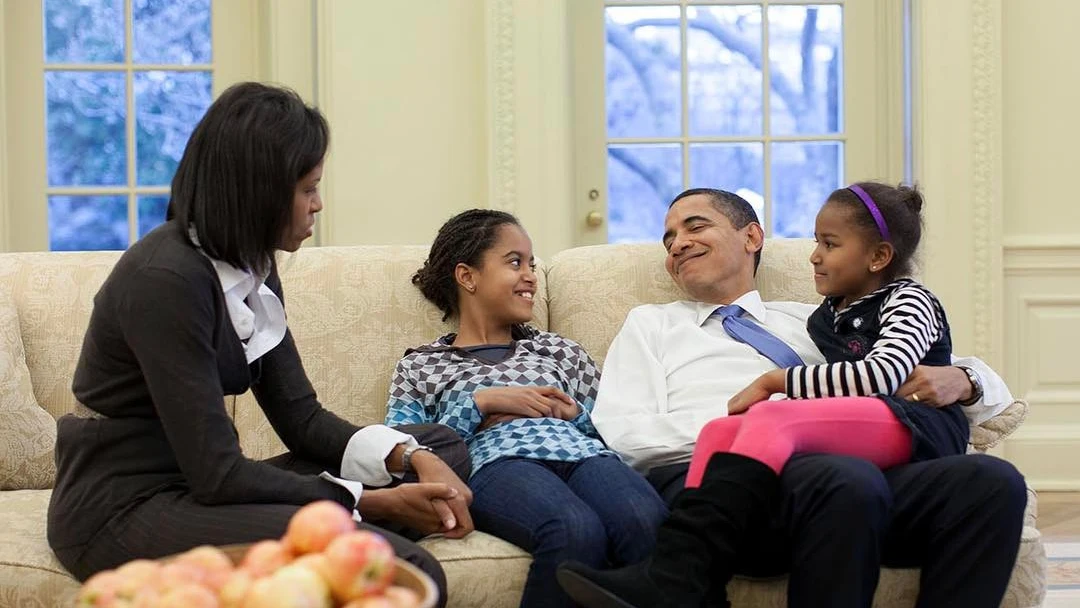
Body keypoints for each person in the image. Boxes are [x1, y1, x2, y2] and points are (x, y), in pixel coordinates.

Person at [46, 82, 472, 605]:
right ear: (259, 192)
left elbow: (302, 421)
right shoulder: (165, 280)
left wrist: (408, 458)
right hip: (125, 506)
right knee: (406, 567)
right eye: (307, 188)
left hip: (201, 486)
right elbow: (218, 475)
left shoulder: (253, 266)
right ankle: (356, 524)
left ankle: (352, 515)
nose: (319, 204)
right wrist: (371, 502)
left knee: (441, 447)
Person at [558, 187, 1027, 608]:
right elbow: (625, 435)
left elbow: (921, 370)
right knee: (844, 476)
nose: (677, 243)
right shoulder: (652, 324)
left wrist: (964, 379)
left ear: (752, 237)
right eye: (668, 239)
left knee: (991, 481)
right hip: (727, 491)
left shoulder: (818, 318)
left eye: (695, 226)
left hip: (852, 479)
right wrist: (768, 425)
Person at [385, 209, 668, 608]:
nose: (531, 276)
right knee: (574, 528)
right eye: (515, 262)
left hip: (585, 455)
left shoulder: (560, 350)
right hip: (496, 464)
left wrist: (573, 415)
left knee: (645, 520)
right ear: (467, 276)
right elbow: (399, 452)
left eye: (531, 264)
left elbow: (615, 426)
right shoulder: (421, 364)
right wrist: (480, 404)